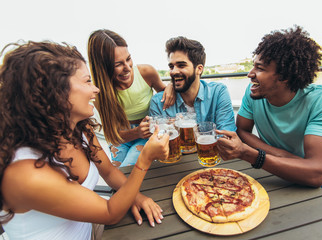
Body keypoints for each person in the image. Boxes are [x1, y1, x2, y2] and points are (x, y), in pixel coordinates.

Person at [0, 41, 169, 240]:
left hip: (90, 229)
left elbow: (109, 171)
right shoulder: (24, 174)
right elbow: (109, 212)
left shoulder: (80, 129)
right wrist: (145, 159)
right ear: (55, 92)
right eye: (87, 81)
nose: (96, 89)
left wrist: (137, 196)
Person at [216, 26, 322, 212]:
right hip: (269, 168)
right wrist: (279, 154)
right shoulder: (252, 93)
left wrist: (250, 154)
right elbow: (242, 131)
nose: (250, 74)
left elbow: (317, 173)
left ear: (285, 76)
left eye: (259, 68)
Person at [87, 29, 175, 167]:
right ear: (102, 67)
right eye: (118, 64)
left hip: (147, 131)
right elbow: (112, 136)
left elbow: (166, 96)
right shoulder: (99, 93)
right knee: (117, 172)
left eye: (128, 59)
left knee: (127, 169)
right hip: (122, 136)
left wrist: (170, 87)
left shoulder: (146, 72)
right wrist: (136, 132)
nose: (127, 68)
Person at [149, 36, 236, 132]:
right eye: (171, 66)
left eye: (181, 65)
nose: (173, 71)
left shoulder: (218, 93)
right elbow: (157, 141)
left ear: (199, 69)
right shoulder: (158, 102)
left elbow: (227, 135)